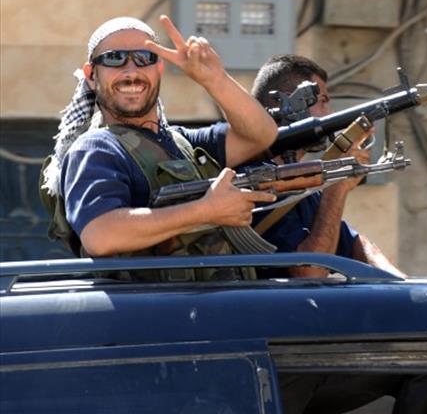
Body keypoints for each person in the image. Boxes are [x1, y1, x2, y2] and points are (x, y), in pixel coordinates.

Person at [41, 15, 277, 264]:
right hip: (145, 291)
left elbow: (260, 135)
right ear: (91, 74)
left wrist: (214, 80)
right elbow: (100, 235)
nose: (131, 72)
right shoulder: (96, 148)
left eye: (144, 58)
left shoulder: (183, 143)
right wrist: (206, 211)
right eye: (114, 58)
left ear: (159, 68)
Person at [249, 54, 404, 278]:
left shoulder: (301, 184)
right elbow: (310, 274)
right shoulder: (254, 180)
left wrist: (400, 282)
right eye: (322, 101)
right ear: (289, 103)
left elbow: (354, 244)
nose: (330, 114)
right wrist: (337, 187)